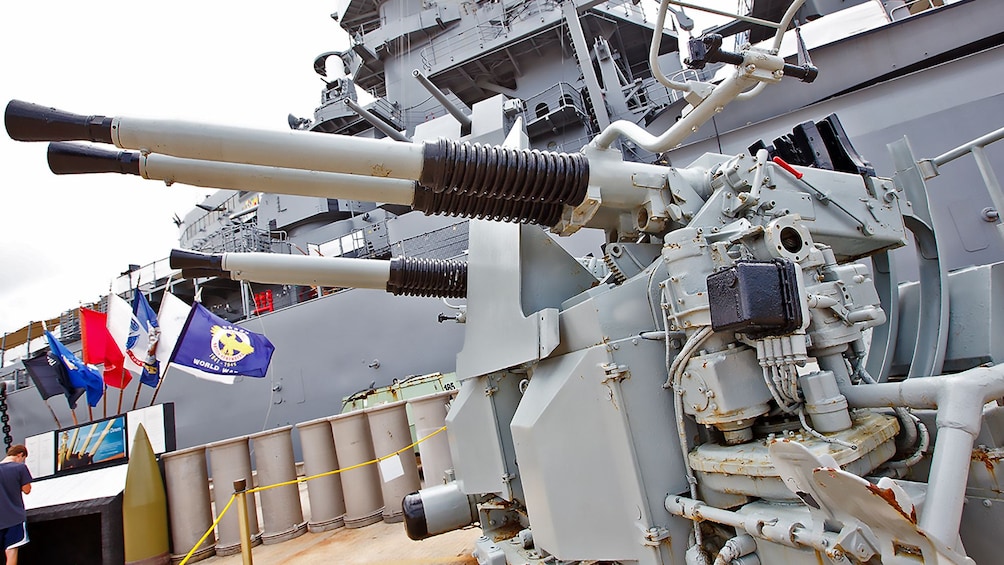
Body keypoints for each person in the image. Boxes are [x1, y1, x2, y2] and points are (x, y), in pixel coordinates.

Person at [0, 445, 32, 565]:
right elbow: (27, 490)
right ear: (20, 455)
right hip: (14, 517)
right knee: (11, 550)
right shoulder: (20, 468)